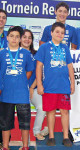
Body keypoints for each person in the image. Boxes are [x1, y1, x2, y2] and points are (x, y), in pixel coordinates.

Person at [36, 22, 75, 147]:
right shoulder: (44, 47)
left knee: (65, 112)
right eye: (57, 32)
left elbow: (70, 66)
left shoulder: (65, 48)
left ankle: (65, 137)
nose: (60, 34)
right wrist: (40, 84)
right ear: (51, 33)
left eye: (62, 33)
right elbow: (39, 67)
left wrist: (72, 83)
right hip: (49, 87)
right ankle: (51, 136)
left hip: (64, 86)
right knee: (50, 112)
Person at [0, 26, 34, 150]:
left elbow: (30, 70)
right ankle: (5, 147)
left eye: (17, 36)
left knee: (24, 123)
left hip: (22, 94)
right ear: (7, 37)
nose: (14, 38)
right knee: (5, 123)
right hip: (5, 94)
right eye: (12, 36)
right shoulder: (2, 53)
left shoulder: (26, 53)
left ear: (20, 39)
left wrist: (20, 80)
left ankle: (25, 146)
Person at [20, 29, 48, 140]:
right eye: (24, 37)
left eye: (29, 37)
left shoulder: (37, 54)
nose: (27, 39)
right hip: (19, 89)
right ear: (20, 38)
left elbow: (39, 72)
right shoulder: (15, 53)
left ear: (32, 40)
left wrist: (31, 87)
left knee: (42, 107)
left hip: (34, 88)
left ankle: (37, 131)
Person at [0, 8, 8, 149]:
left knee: (3, 113)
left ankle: (2, 142)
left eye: (3, 17)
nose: (1, 19)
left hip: (6, 80)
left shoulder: (9, 37)